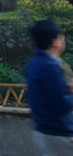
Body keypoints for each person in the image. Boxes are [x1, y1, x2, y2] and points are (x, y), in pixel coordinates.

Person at [26, 19, 73, 155]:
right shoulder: (50, 67)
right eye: (61, 38)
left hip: (43, 129)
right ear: (55, 41)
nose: (64, 41)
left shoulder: (34, 63)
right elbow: (61, 105)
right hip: (60, 132)